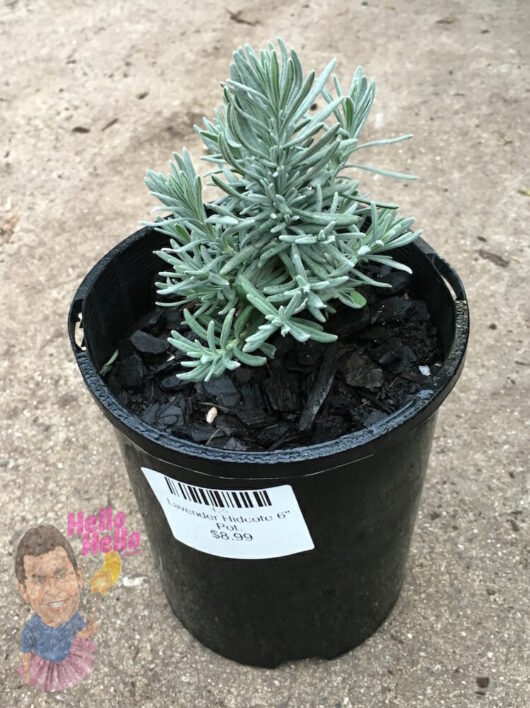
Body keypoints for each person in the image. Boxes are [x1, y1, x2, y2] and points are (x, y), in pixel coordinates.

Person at [15, 525, 97, 692]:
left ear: (79, 577)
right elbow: (26, 652)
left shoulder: (75, 619)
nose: (53, 590)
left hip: (68, 659)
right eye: (38, 580)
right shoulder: (31, 628)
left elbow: (78, 635)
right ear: (24, 591)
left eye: (60, 574)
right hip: (45, 664)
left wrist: (87, 632)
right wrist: (26, 671)